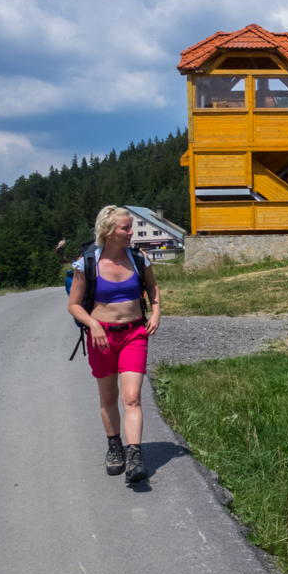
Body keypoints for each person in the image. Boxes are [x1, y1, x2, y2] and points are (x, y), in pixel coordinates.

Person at [67, 206, 161, 483]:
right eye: (126, 228)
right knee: (108, 398)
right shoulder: (87, 264)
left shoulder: (138, 258)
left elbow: (153, 288)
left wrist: (155, 313)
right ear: (108, 232)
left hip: (134, 335)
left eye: (131, 227)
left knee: (131, 397)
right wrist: (93, 324)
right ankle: (114, 447)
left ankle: (134, 457)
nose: (131, 232)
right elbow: (73, 305)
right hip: (102, 338)